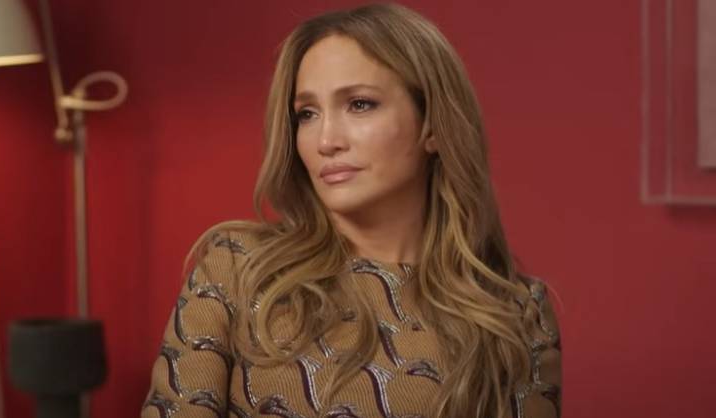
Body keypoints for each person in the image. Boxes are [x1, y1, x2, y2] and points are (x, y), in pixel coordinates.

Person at [141, 3, 561, 418]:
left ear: (432, 124)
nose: (326, 140)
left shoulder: (515, 314)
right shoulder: (238, 268)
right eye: (307, 113)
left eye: (359, 104)